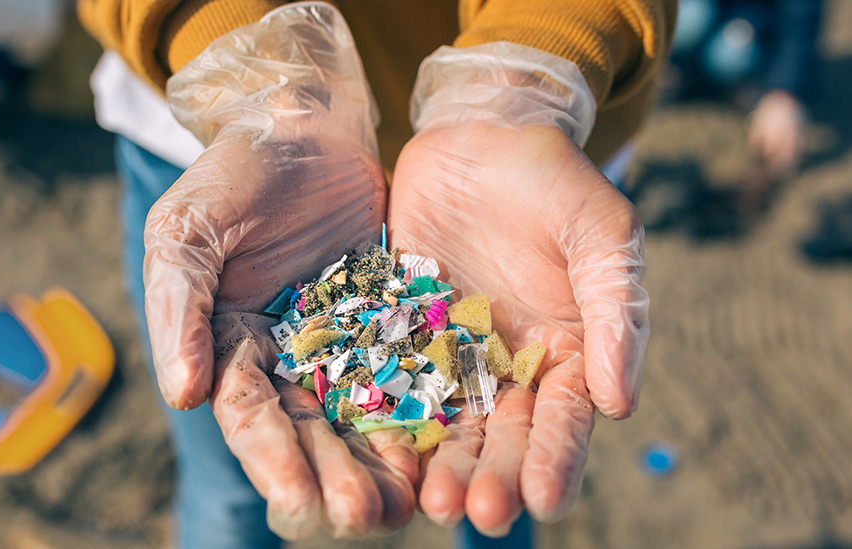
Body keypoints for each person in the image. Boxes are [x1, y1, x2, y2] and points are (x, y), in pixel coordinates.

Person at [80, 1, 674, 547]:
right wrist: (260, 87)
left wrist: (521, 84)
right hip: (234, 157)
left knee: (497, 486)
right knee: (232, 484)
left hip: (531, 165)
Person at [668, 0, 823, 184]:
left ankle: (715, 83)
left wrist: (784, 92)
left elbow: (800, 15)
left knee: (731, 53)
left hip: (747, 22)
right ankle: (673, 69)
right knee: (690, 17)